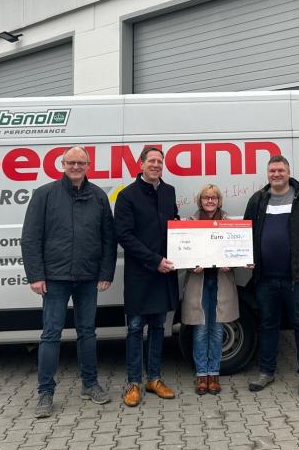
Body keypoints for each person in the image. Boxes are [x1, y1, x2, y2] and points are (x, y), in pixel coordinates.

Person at [21, 146, 117, 418]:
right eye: (71, 162)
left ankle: (90, 384)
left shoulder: (98, 196)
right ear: (62, 164)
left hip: (88, 278)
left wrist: (105, 273)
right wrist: (36, 275)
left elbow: (108, 239)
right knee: (51, 334)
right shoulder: (45, 194)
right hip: (55, 279)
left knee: (87, 332)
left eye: (81, 163)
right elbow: (30, 238)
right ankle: (45, 393)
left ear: (89, 165)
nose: (76, 166)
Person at [243, 155, 299, 396]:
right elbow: (245, 231)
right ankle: (266, 372)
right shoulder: (258, 200)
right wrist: (245, 257)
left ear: (288, 172)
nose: (276, 174)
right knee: (268, 324)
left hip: (297, 278)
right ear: (267, 174)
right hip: (265, 277)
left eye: (280, 170)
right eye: (272, 171)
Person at [113, 146, 179, 407]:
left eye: (159, 162)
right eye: (151, 161)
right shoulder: (127, 195)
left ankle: (154, 378)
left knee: (159, 328)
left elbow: (173, 226)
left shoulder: (168, 191)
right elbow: (124, 236)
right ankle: (133, 383)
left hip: (164, 274)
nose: (155, 165)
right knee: (135, 328)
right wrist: (155, 261)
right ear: (140, 164)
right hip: (141, 273)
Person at [181, 184, 240, 395]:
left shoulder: (229, 224)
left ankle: (214, 374)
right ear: (200, 200)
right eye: (206, 197)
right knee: (200, 329)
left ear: (219, 200)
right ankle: (201, 375)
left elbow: (237, 251)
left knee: (216, 330)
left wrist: (231, 263)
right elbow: (183, 251)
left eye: (214, 198)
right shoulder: (189, 223)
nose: (210, 201)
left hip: (220, 281)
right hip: (199, 282)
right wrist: (191, 264)